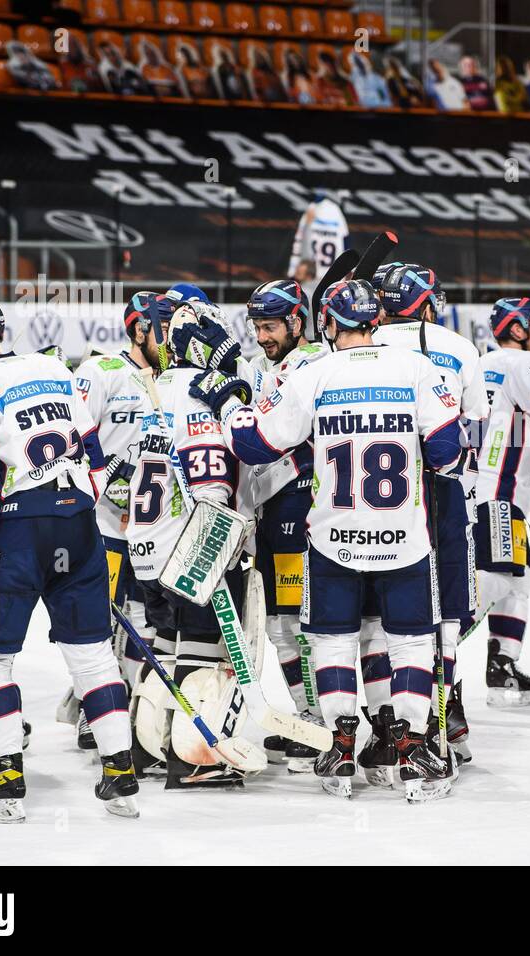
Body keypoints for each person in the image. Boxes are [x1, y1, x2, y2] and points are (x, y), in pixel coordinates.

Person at [196, 278, 463, 802]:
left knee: (333, 640)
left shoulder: (314, 372)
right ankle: (409, 749)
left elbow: (254, 446)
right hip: (404, 538)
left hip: (332, 538)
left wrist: (228, 402)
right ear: (376, 321)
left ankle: (340, 744)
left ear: (327, 325)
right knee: (406, 641)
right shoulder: (416, 368)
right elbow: (449, 454)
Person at [0, 293, 137, 822]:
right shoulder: (51, 366)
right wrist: (72, 508)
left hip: (19, 531)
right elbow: (95, 459)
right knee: (92, 652)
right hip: (79, 520)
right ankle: (119, 770)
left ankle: (4, 776)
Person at [123, 297, 258, 789]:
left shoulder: (158, 386)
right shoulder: (202, 395)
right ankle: (193, 760)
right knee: (201, 657)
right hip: (188, 549)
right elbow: (211, 488)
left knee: (164, 649)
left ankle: (142, 747)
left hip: (147, 547)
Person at [374, 264, 489, 762]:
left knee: (382, 613)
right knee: (447, 605)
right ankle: (445, 703)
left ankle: (385, 718)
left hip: (376, 502)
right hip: (443, 489)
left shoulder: (362, 343)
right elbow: (476, 424)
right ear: (427, 302)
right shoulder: (458, 346)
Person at [232, 280, 329, 772]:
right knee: (278, 626)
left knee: (297, 624)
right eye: (256, 327)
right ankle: (307, 714)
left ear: (297, 322)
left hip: (301, 505)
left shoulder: (312, 365)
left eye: (270, 326)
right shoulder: (265, 367)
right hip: (270, 510)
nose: (262, 336)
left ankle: (319, 720)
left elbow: (268, 438)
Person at [68, 292, 167, 759]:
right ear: (137, 330)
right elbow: (74, 437)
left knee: (145, 620)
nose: (167, 336)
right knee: (101, 618)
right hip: (105, 522)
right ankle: (93, 708)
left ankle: (124, 700)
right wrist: (109, 483)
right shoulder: (101, 371)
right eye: (159, 327)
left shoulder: (171, 377)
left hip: (153, 527)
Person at [462, 298, 530, 707]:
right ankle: (442, 645)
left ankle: (501, 668)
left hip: (478, 486)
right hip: (500, 491)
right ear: (518, 328)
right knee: (500, 578)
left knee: (519, 580)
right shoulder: (523, 363)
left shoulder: (480, 362)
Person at [289, 190, 348, 278]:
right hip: (331, 276)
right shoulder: (335, 211)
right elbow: (345, 240)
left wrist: (293, 268)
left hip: (313, 273)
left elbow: (301, 242)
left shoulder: (312, 211)